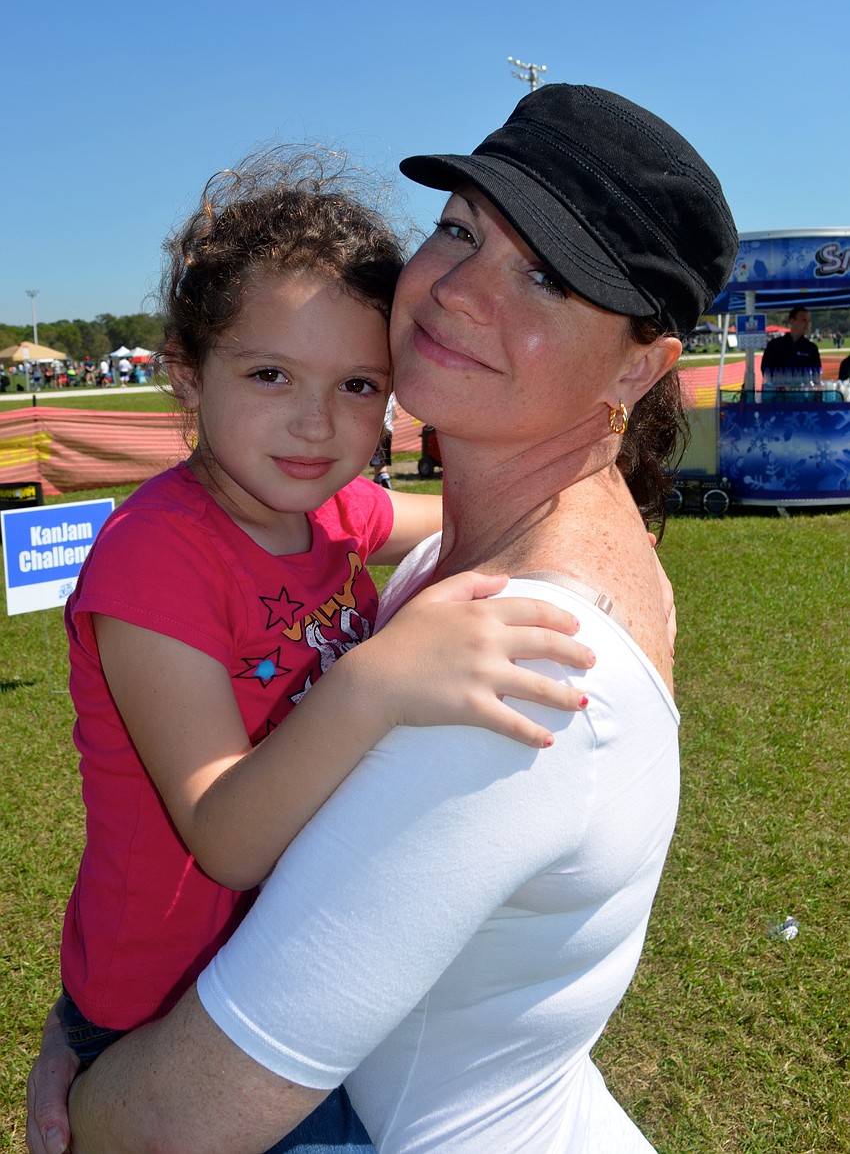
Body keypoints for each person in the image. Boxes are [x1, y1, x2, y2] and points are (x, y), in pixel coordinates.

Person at [34, 83, 736, 1154]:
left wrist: (78, 1099)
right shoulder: (461, 550)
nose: (459, 291)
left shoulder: (517, 658)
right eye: (457, 229)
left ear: (639, 365)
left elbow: (178, 1117)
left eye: (546, 274)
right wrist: (88, 1014)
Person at [760, 306, 821, 379]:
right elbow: (766, 370)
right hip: (778, 388)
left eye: (809, 321)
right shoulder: (775, 345)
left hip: (804, 389)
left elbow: (816, 373)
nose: (807, 324)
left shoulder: (811, 348)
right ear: (792, 321)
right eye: (803, 320)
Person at [370, 391, 396, 488]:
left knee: (377, 459)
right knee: (382, 459)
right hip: (388, 430)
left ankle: (384, 479)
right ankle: (378, 481)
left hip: (376, 430)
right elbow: (395, 415)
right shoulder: (391, 397)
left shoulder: (373, 397)